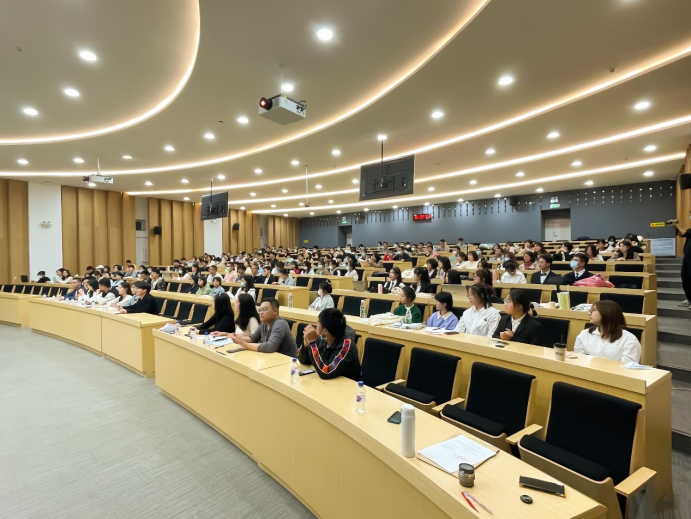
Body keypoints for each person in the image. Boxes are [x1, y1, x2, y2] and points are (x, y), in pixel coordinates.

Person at [297, 308, 361, 380]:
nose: (316, 324)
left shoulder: (346, 346)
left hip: (348, 384)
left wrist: (312, 343)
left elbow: (326, 371)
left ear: (325, 332)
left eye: (318, 322)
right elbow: (303, 360)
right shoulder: (321, 338)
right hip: (330, 383)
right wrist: (306, 346)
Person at [574, 300, 642, 363]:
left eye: (593, 310)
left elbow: (628, 367)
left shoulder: (629, 340)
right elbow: (579, 360)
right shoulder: (584, 334)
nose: (589, 313)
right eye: (589, 310)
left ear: (606, 313)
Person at [230, 298, 298, 356]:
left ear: (275, 311)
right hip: (272, 358)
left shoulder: (279, 323)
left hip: (287, 361)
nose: (261, 313)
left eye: (264, 309)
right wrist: (239, 339)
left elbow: (270, 347)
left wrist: (246, 345)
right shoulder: (264, 323)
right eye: (260, 310)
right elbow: (254, 338)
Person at [671, 217, 691, 309]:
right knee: (685, 278)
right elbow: (681, 235)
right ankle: (689, 299)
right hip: (687, 258)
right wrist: (676, 228)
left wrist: (677, 226)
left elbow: (686, 233)